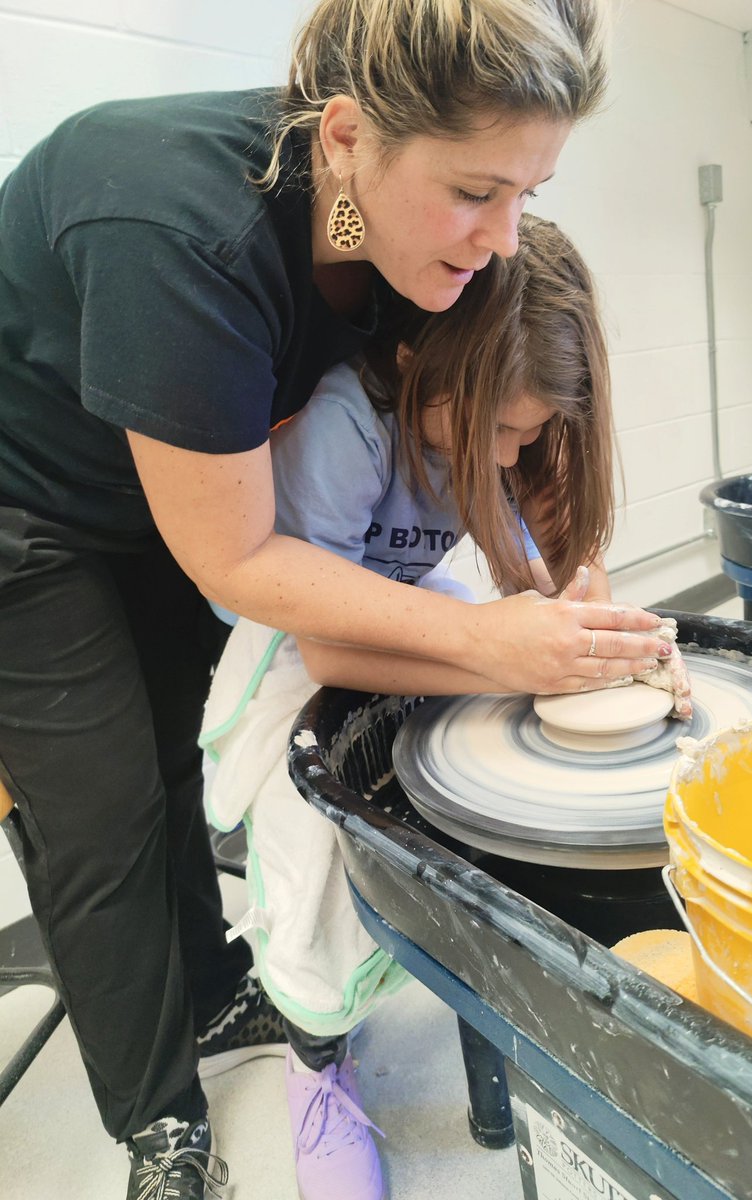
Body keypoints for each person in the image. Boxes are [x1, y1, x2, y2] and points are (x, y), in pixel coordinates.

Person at [0, 0, 676, 1195]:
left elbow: (503, 447)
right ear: (354, 138)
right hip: (25, 501)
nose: (505, 236)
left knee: (169, 764)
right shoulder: (187, 235)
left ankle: (215, 999)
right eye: (478, 191)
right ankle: (158, 1125)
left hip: (169, 477)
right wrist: (483, 641)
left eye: (529, 190)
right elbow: (242, 564)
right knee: (103, 814)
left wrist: (574, 613)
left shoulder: (408, 241)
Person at [200, 213, 692, 1200]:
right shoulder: (347, 423)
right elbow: (330, 641)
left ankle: (457, 959)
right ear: (428, 365)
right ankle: (315, 1066)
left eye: (533, 433)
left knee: (477, 767)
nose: (515, 455)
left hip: (416, 623)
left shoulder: (487, 433)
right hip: (298, 648)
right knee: (317, 843)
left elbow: (560, 574)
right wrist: (519, 666)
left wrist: (613, 641)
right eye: (505, 428)